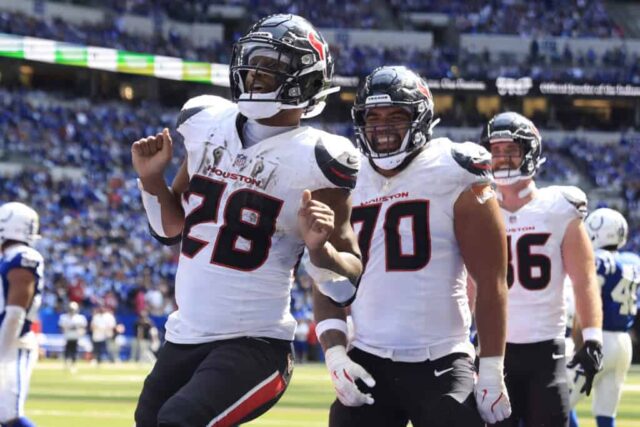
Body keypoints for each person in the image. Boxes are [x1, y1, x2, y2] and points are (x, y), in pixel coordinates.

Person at [132, 14, 363, 427]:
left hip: (255, 345)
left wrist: (320, 248)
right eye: (255, 62)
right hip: (183, 335)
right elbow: (172, 230)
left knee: (179, 420)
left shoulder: (322, 158)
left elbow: (346, 285)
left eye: (273, 66)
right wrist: (151, 180)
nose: (256, 74)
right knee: (150, 419)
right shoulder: (205, 122)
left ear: (305, 81)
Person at [312, 66, 511, 427]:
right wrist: (336, 354)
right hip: (368, 357)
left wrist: (493, 367)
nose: (383, 127)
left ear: (420, 119)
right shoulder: (344, 178)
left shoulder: (454, 169)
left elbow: (492, 278)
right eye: (373, 117)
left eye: (396, 116)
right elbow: (328, 275)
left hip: (442, 358)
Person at [480, 111, 604, 426]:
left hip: (545, 353)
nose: (502, 159)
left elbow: (584, 279)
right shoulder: (480, 209)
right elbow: (470, 283)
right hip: (495, 352)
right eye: (496, 151)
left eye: (511, 151)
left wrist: (592, 338)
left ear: (530, 153)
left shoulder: (559, 206)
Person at [569, 208, 640, 427]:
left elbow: (587, 298)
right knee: (606, 414)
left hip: (600, 338)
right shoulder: (633, 261)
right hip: (624, 343)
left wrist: (577, 339)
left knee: (559, 401)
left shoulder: (600, 260)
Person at [0, 202, 44, 427]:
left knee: (9, 415)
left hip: (13, 343)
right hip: (7, 341)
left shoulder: (22, 257)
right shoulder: (7, 258)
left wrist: (1, 349)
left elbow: (15, 312)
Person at [58, 301, 87, 372]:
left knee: (74, 350)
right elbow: (61, 327)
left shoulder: (80, 318)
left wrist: (80, 331)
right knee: (67, 350)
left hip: (76, 336)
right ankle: (66, 363)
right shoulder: (64, 317)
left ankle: (73, 364)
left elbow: (83, 327)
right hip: (68, 336)